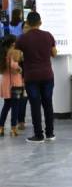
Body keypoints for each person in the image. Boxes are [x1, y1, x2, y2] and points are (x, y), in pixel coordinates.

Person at [16, 12, 57, 143]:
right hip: (47, 75)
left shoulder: (22, 38)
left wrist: (25, 56)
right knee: (48, 104)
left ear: (27, 23)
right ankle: (50, 134)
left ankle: (38, 135)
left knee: (35, 105)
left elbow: (17, 58)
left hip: (31, 76)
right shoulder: (48, 35)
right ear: (40, 22)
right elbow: (54, 54)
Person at [0, 35, 24, 137]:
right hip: (15, 83)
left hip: (5, 83)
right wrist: (19, 69)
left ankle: (1, 127)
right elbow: (13, 65)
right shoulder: (12, 52)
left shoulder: (2, 52)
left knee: (6, 106)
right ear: (13, 43)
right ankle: (13, 129)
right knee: (15, 106)